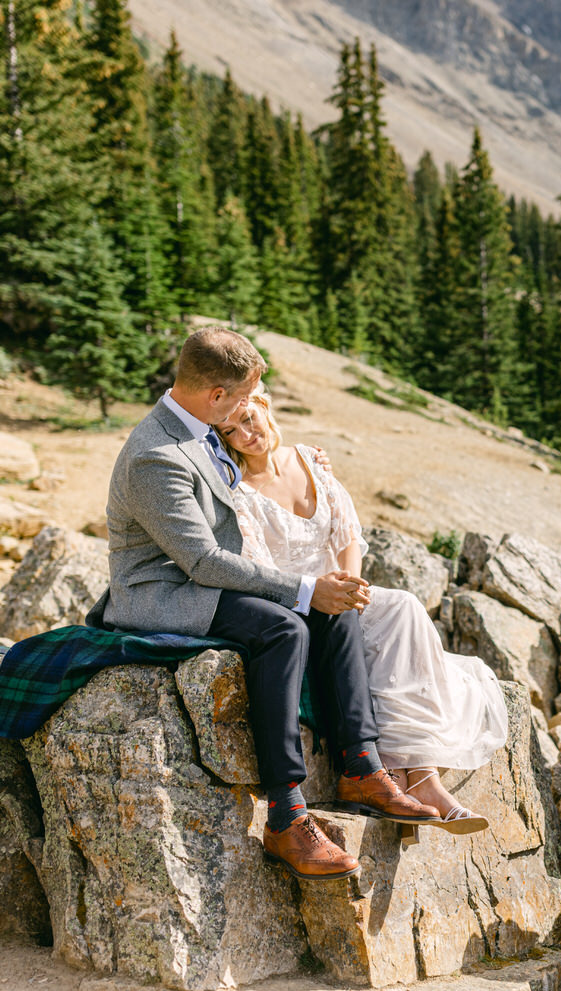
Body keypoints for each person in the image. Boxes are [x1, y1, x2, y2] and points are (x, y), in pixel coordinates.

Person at [85, 326, 440, 884]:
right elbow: (201, 561)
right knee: (283, 628)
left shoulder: (201, 424)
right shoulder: (155, 456)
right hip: (165, 593)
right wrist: (302, 589)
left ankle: (362, 766)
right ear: (217, 396)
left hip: (209, 581)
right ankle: (285, 814)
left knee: (332, 605)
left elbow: (251, 477)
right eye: (245, 396)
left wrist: (302, 460)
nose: (252, 406)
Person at [215, 388, 507, 835]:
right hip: (297, 603)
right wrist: (322, 594)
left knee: (404, 607)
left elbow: (347, 531)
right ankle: (395, 777)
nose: (247, 435)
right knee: (348, 618)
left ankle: (421, 777)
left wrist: (351, 584)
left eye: (250, 419)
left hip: (341, 592)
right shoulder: (240, 493)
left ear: (267, 407)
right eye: (231, 431)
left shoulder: (311, 461)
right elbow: (261, 570)